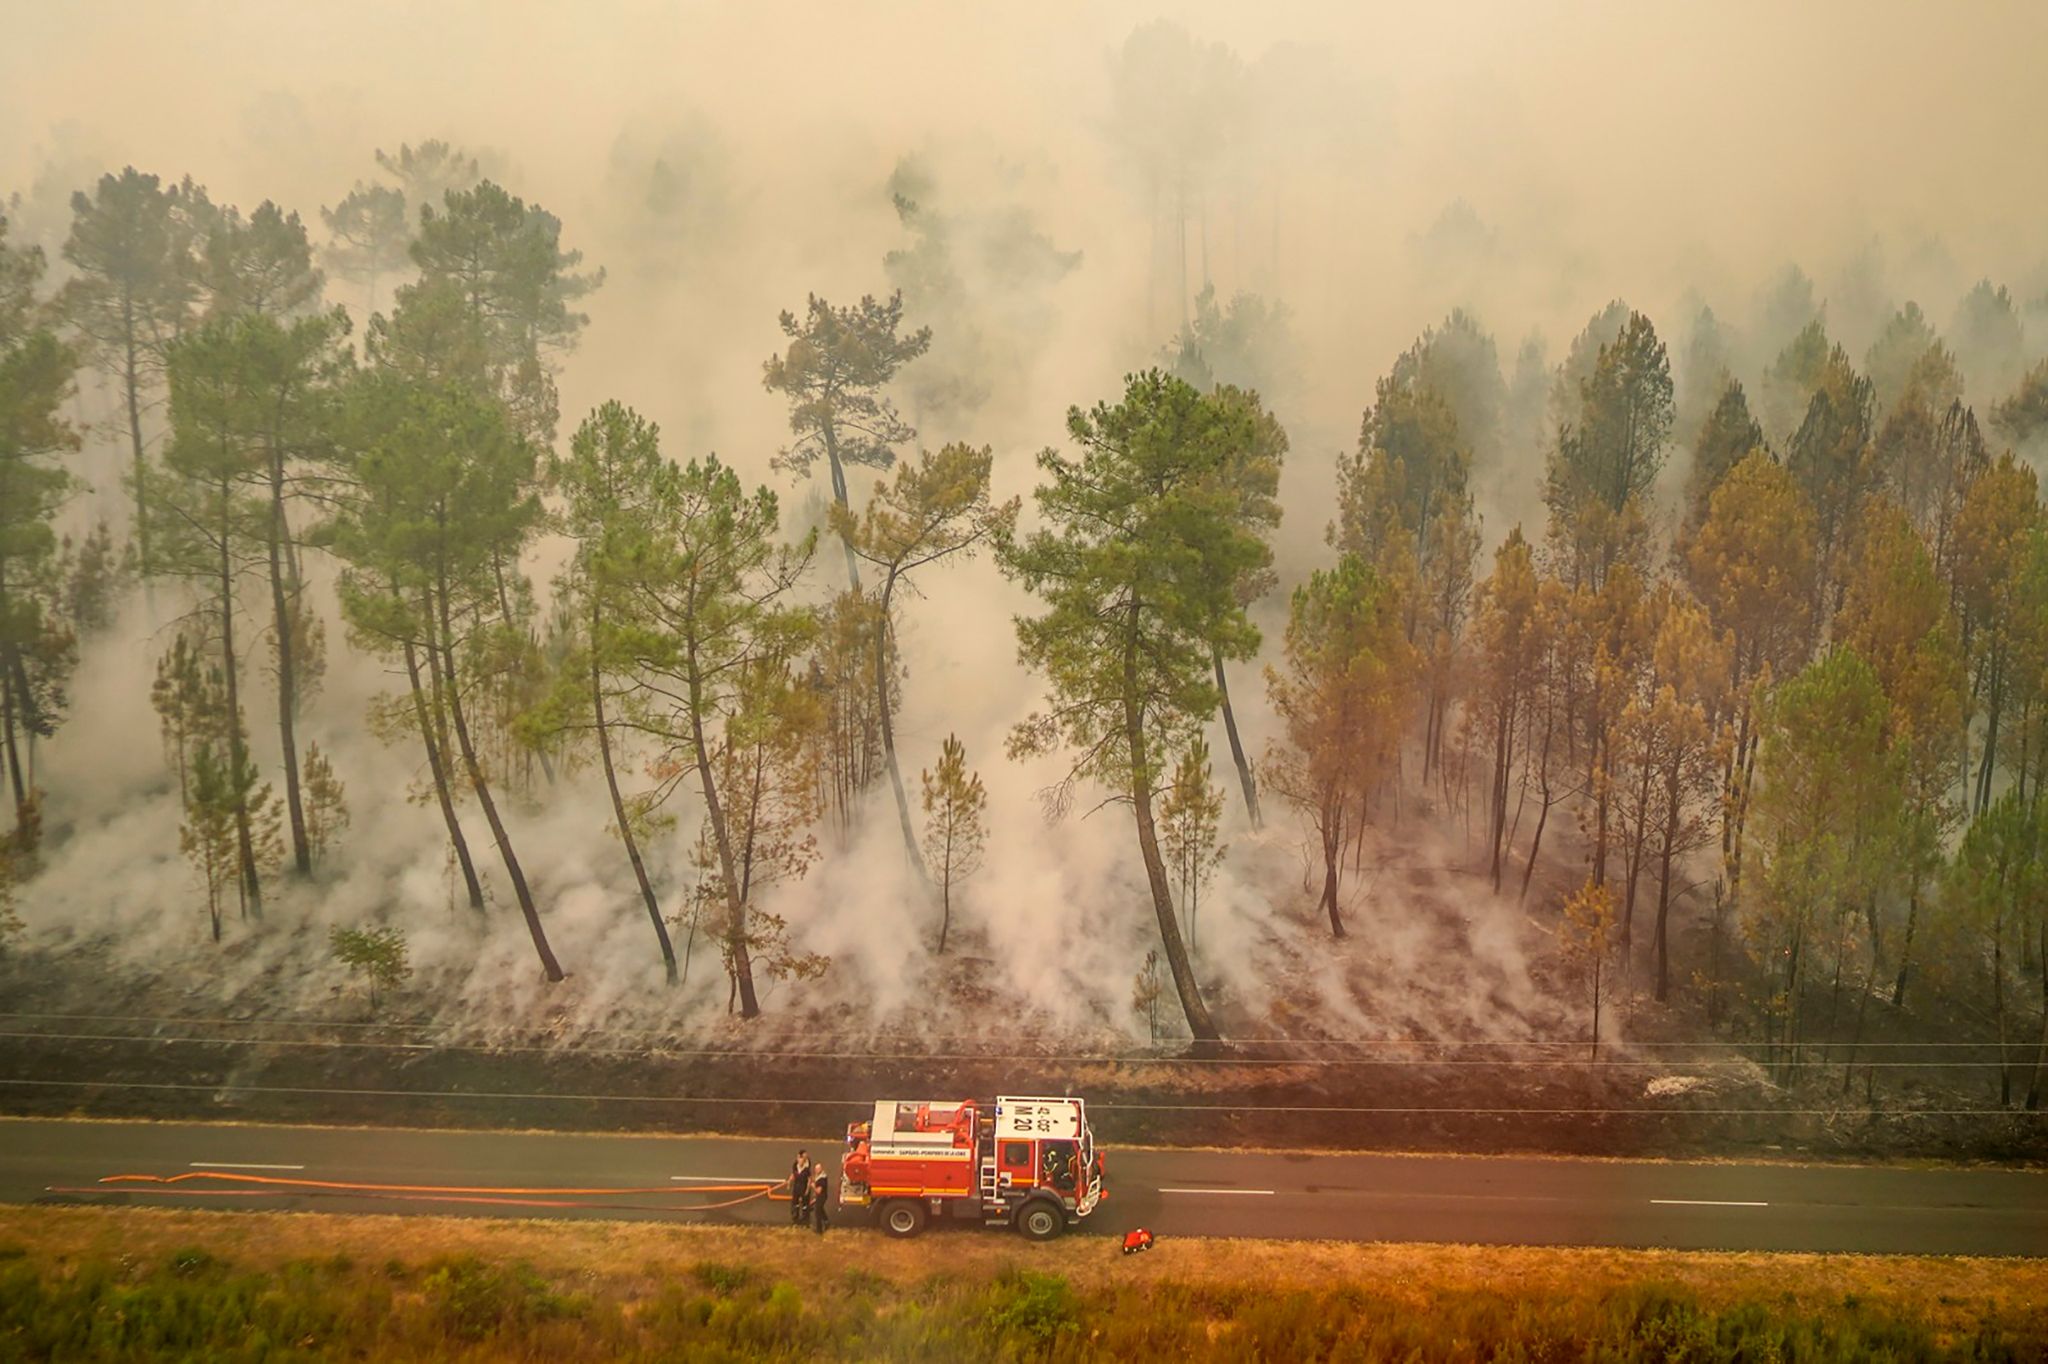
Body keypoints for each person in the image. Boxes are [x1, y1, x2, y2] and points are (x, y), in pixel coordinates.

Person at [789, 1149, 812, 1226]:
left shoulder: (806, 1170)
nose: (800, 1162)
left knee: (805, 1204)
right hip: (796, 1187)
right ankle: (795, 1216)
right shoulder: (795, 1166)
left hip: (803, 1187)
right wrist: (789, 1182)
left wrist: (807, 1190)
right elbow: (793, 1174)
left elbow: (809, 1180)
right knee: (795, 1202)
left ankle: (805, 1218)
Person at [810, 1169, 830, 1235]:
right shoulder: (819, 1177)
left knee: (817, 1212)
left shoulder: (822, 1179)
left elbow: (819, 1191)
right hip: (820, 1197)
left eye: (817, 1170)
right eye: (815, 1169)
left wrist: (813, 1187)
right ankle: (826, 1222)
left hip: (822, 1197)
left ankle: (819, 1230)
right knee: (820, 1210)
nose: (815, 1171)